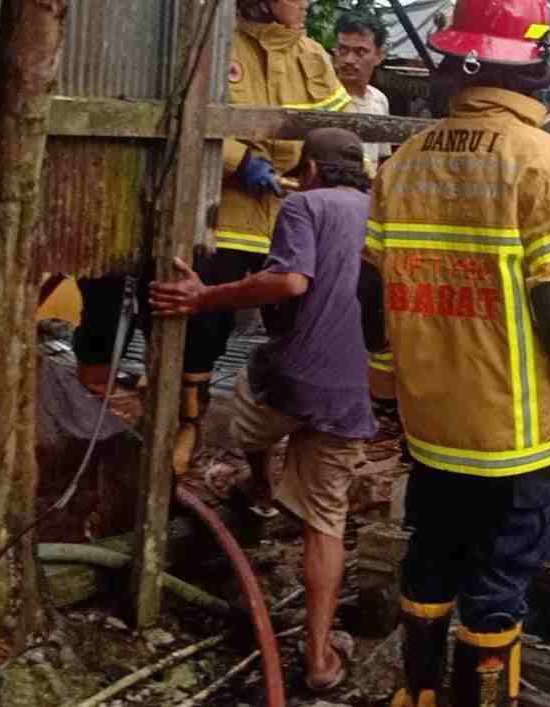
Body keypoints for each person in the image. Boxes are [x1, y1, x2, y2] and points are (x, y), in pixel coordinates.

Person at [359, 0, 550, 707]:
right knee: (498, 580)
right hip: (514, 436)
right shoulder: (542, 162)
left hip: (431, 425)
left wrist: (386, 389)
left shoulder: (404, 163)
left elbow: (373, 294)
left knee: (430, 562)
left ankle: (414, 695)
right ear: (537, 65)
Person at [73, 0, 348, 478]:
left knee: (300, 326)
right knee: (200, 325)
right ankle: (176, 430)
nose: (305, 6)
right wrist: (240, 159)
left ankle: (265, 452)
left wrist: (322, 171)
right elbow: (193, 119)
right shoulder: (219, 47)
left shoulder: (312, 55)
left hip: (288, 214)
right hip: (224, 217)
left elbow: (334, 124)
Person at [151, 127, 374, 694]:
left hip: (290, 381)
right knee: (326, 521)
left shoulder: (303, 203)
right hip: (352, 389)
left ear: (314, 169)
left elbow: (289, 281)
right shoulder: (379, 211)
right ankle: (321, 659)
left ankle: (257, 486)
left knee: (239, 415)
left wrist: (205, 296)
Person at [332, 10, 391, 163]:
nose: (349, 60)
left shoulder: (379, 100)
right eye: (343, 49)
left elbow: (382, 157)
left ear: (379, 56)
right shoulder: (321, 98)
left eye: (360, 52)